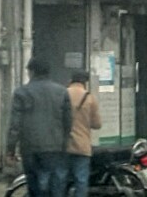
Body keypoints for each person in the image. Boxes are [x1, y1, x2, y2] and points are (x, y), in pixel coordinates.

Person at [6, 57, 72, 197]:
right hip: (55, 147)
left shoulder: (21, 92)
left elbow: (15, 124)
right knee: (55, 186)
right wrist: (65, 143)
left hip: (30, 147)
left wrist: (10, 150)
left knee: (34, 186)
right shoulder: (61, 91)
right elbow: (68, 122)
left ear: (31, 72)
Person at [66, 69, 102, 197]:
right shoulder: (89, 98)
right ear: (85, 82)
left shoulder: (63, 94)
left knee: (61, 179)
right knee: (81, 180)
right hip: (82, 146)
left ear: (71, 80)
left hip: (63, 145)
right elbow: (97, 124)